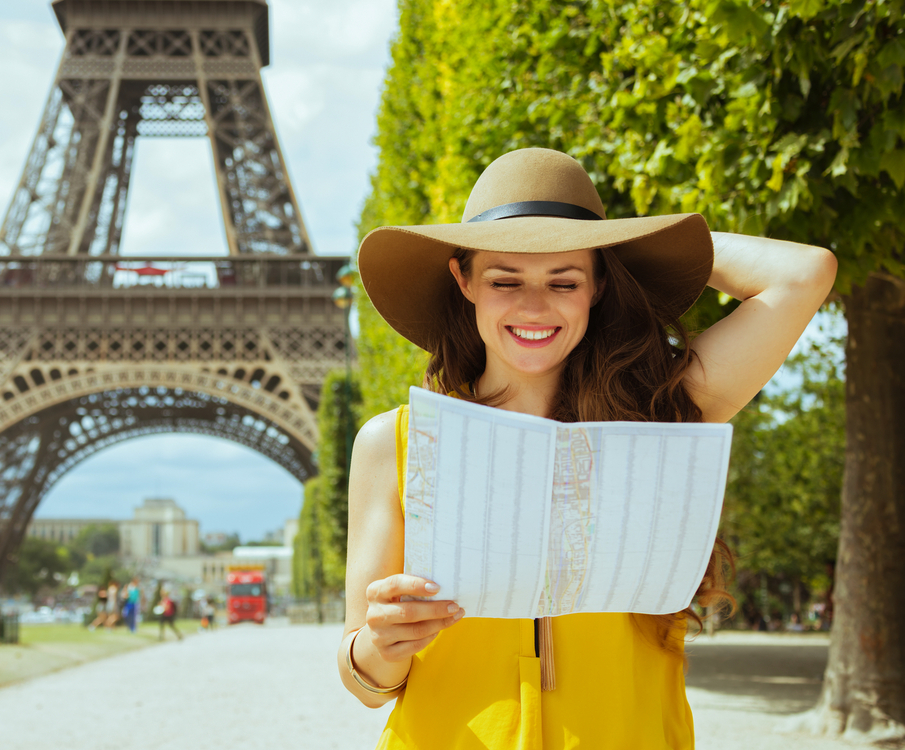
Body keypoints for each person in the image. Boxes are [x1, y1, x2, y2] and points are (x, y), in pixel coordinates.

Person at [340, 148, 836, 748]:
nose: (533, 306)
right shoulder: (390, 444)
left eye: (564, 280)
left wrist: (637, 246)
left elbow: (804, 273)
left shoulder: (663, 418)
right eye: (504, 279)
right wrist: (381, 644)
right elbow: (363, 681)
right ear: (463, 279)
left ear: (599, 284)